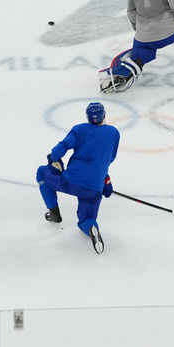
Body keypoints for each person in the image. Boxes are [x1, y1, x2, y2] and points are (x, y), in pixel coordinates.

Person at [36, 102, 119, 255]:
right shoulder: (113, 133)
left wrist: (53, 158)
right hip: (94, 189)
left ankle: (54, 212)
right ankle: (92, 228)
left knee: (41, 172)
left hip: (71, 182)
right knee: (85, 219)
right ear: (104, 116)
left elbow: (60, 148)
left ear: (87, 117)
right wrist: (105, 181)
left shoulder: (80, 129)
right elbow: (106, 160)